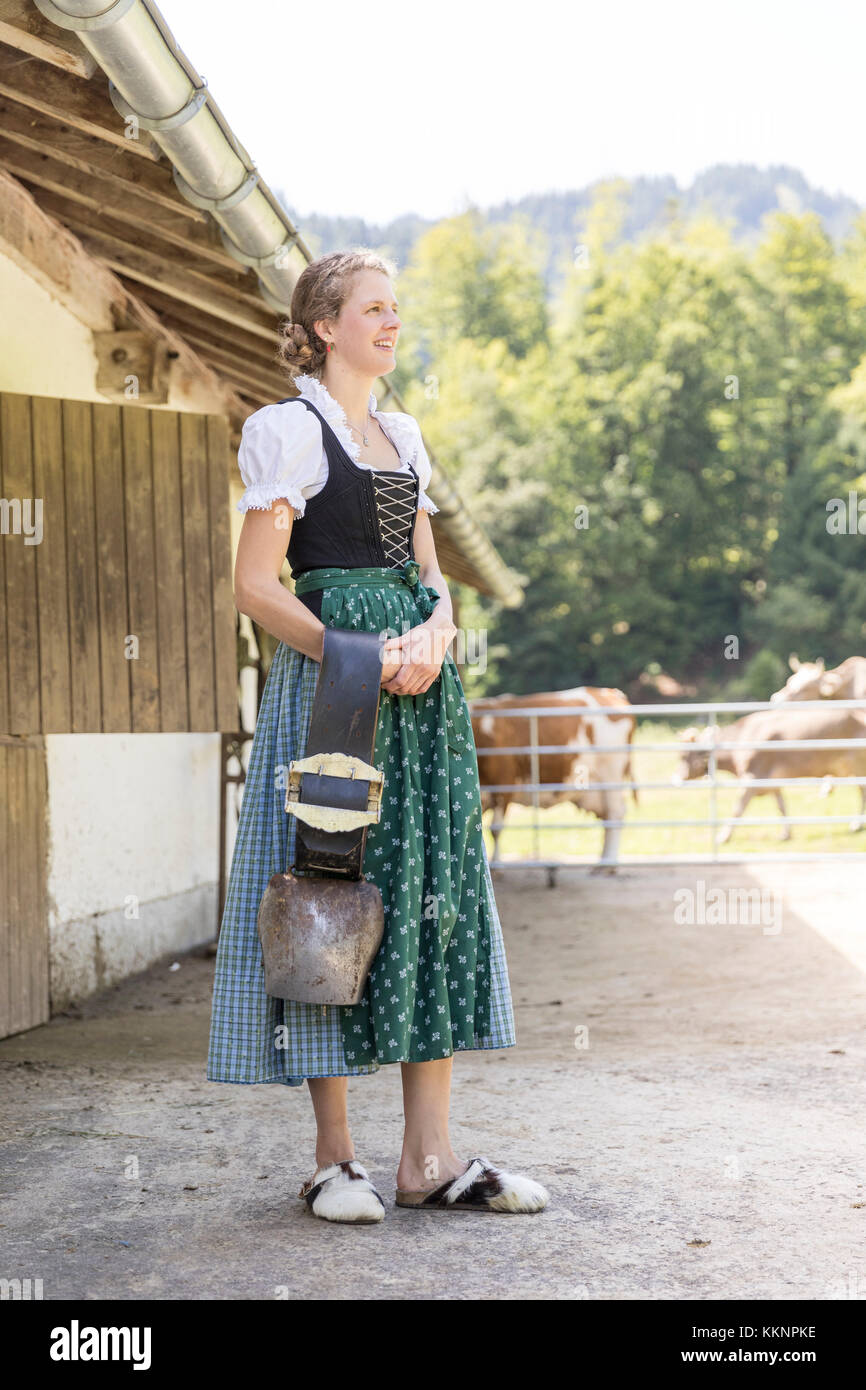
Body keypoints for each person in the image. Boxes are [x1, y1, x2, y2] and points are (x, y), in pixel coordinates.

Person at [207, 248, 549, 1221]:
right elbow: (255, 587)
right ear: (324, 326)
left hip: (422, 696)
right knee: (329, 890)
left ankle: (427, 1159)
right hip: (335, 692)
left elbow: (430, 569)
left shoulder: (402, 435)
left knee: (430, 889)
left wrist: (436, 630)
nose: (391, 323)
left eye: (396, 309)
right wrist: (354, 654)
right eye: (372, 308)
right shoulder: (286, 430)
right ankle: (332, 1159)